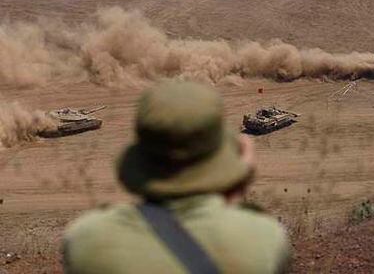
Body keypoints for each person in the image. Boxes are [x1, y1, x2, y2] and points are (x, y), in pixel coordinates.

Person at [62, 81, 292, 274]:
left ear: (140, 160)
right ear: (221, 161)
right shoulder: (264, 238)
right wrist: (235, 190)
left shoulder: (87, 238)